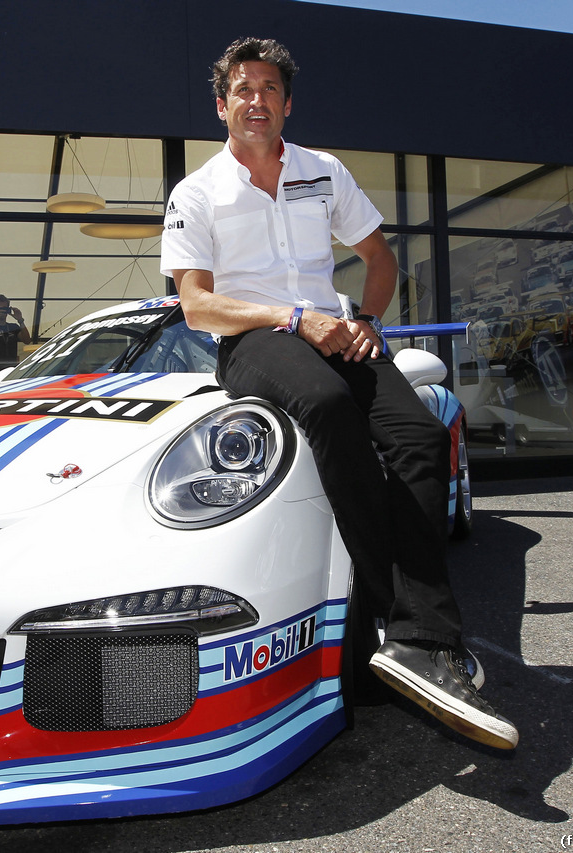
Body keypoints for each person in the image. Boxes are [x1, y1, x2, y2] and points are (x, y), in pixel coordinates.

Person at [160, 37, 518, 749]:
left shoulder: (324, 172)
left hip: (335, 331)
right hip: (256, 340)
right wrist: (292, 317)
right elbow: (197, 306)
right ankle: (401, 617)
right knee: (325, 403)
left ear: (287, 104)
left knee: (419, 435)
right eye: (242, 88)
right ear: (221, 104)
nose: (255, 99)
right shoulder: (196, 191)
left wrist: (369, 323)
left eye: (269, 88)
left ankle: (418, 639)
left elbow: (379, 259)